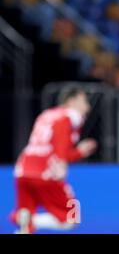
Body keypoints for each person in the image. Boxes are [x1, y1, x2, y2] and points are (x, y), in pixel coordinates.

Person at [11, 85, 97, 234]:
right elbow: (60, 152)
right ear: (72, 101)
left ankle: (25, 220)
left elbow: (47, 146)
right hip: (46, 173)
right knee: (72, 217)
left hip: (22, 170)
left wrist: (79, 152)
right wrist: (76, 154)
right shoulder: (68, 117)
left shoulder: (46, 114)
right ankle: (29, 219)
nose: (87, 107)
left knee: (26, 227)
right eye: (84, 101)